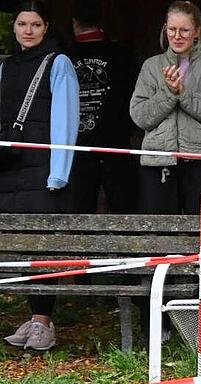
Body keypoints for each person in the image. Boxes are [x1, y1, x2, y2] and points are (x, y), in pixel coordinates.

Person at [2, 1, 80, 352]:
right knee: (15, 248)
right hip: (8, 169)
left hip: (44, 173)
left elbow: (66, 118)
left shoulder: (59, 63)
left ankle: (43, 322)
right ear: (14, 27)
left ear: (46, 26)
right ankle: (30, 318)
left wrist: (58, 172)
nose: (28, 30)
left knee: (41, 248)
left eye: (35, 24)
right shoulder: (4, 67)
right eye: (22, 24)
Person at [129, 0, 201, 215]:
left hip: (200, 161)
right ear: (165, 29)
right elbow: (140, 116)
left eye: (185, 30)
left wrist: (182, 92)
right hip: (157, 161)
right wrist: (169, 93)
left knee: (200, 232)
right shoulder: (151, 66)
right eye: (172, 29)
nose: (177, 35)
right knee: (158, 234)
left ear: (197, 32)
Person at [68, 0, 138, 213]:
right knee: (123, 211)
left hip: (76, 145)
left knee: (79, 213)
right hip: (115, 142)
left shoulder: (64, 57)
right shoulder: (122, 55)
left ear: (74, 23)